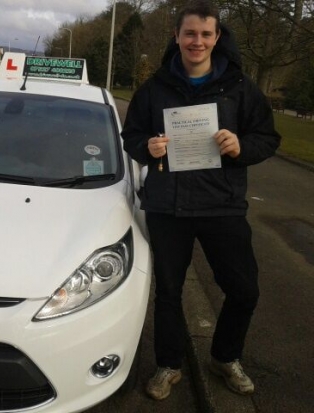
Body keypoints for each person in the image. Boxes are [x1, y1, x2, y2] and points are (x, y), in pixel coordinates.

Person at [121, 0, 281, 401]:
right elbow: (131, 137)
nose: (197, 41)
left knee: (244, 290)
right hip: (167, 207)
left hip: (221, 205)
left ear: (217, 38)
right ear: (176, 37)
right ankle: (168, 365)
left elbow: (268, 139)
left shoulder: (240, 88)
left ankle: (225, 357)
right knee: (169, 294)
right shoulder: (154, 88)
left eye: (206, 34)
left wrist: (240, 145)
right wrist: (148, 146)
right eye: (189, 33)